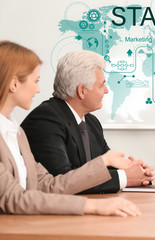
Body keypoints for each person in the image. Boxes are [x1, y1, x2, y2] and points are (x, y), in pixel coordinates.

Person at [0, 40, 141, 216]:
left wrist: (125, 168)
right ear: (14, 84)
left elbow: (48, 185)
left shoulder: (15, 132)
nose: (38, 90)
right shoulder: (44, 118)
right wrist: (93, 206)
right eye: (35, 81)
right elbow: (14, 198)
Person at [21, 50, 154, 194]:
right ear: (82, 91)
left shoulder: (91, 122)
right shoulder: (46, 119)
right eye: (101, 85)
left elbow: (101, 167)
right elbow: (63, 180)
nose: (106, 91)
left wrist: (132, 170)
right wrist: (125, 177)